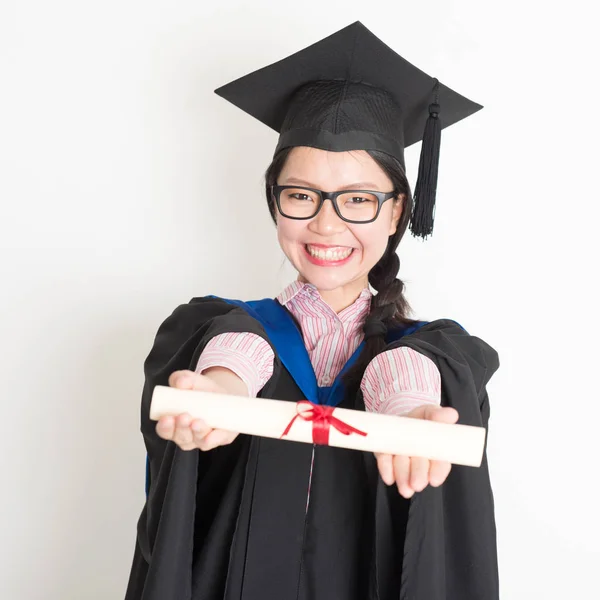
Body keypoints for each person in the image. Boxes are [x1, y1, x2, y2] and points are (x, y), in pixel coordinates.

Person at [126, 21, 500, 600]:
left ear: (399, 209)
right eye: (300, 195)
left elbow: (407, 374)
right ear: (273, 199)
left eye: (357, 200)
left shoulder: (430, 353)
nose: (326, 225)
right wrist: (222, 389)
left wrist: (407, 408)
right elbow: (236, 350)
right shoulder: (223, 329)